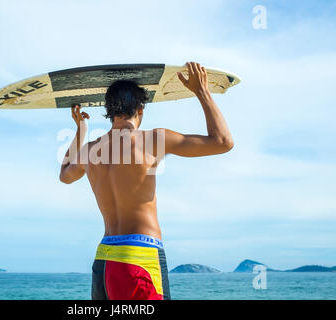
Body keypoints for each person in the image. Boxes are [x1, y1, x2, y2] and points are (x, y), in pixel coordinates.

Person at [59, 62, 234, 300]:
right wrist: (201, 91)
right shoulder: (153, 140)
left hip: (104, 260)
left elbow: (65, 175)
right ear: (140, 109)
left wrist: (80, 129)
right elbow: (223, 142)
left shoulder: (90, 151)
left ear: (109, 112)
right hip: (138, 258)